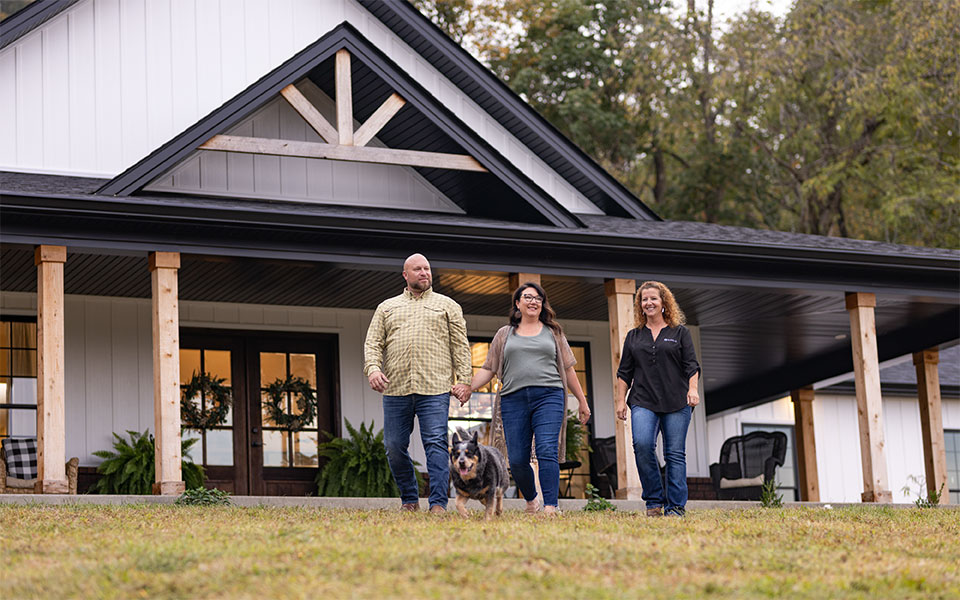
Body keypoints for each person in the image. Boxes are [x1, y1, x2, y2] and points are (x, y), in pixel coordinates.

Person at [468, 282, 590, 515]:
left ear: (543, 304)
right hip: (513, 399)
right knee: (517, 459)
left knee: (546, 450)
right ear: (517, 303)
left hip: (549, 396)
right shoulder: (504, 334)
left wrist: (582, 401)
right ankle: (532, 499)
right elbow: (489, 368)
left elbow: (569, 369)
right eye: (528, 297)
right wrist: (468, 387)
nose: (533, 301)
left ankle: (551, 507)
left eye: (538, 298)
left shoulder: (553, 332)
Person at [363, 253, 472, 513]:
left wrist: (465, 381)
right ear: (405, 275)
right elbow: (373, 343)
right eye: (418, 269)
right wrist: (373, 369)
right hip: (396, 388)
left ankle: (437, 503)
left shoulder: (448, 305)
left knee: (435, 442)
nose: (424, 273)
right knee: (393, 446)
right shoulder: (386, 307)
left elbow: (460, 346)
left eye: (427, 268)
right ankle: (409, 499)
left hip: (435, 388)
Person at [615, 281, 700, 517]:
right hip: (643, 400)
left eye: (653, 298)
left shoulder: (680, 333)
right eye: (644, 299)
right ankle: (653, 501)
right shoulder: (634, 336)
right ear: (640, 305)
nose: (648, 303)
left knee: (674, 454)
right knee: (642, 445)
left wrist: (693, 389)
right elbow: (624, 372)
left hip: (677, 402)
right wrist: (620, 401)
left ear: (664, 303)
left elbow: (692, 366)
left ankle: (675, 507)